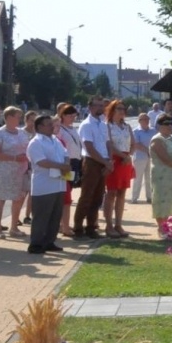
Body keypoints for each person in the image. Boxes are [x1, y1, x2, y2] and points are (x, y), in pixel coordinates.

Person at [25, 114, 68, 255]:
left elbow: (65, 154)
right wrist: (61, 166)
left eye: (52, 124)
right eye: (48, 124)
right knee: (41, 216)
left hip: (58, 184)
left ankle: (49, 241)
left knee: (55, 216)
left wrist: (66, 164)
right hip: (44, 186)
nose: (52, 126)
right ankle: (36, 244)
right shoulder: (36, 142)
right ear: (39, 127)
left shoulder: (55, 140)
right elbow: (41, 162)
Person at [0, 107, 29, 238]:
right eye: (17, 116)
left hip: (20, 170)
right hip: (4, 170)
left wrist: (25, 156)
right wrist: (15, 158)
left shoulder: (22, 133)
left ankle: (14, 227)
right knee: (1, 198)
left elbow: (28, 147)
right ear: (8, 117)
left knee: (18, 198)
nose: (20, 119)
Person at [76, 96, 111, 238]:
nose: (100, 108)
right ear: (90, 107)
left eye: (102, 105)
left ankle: (91, 226)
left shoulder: (103, 124)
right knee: (87, 196)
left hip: (103, 161)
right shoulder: (86, 125)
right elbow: (89, 147)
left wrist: (109, 161)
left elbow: (108, 143)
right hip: (91, 162)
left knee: (98, 196)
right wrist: (105, 162)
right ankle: (78, 228)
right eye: (97, 105)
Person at [103, 99, 134, 238]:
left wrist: (129, 155)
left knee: (122, 194)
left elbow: (133, 143)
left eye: (123, 109)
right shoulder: (107, 126)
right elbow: (109, 145)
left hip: (126, 161)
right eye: (119, 108)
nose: (122, 111)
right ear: (112, 110)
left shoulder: (127, 126)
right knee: (111, 193)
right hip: (114, 160)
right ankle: (109, 225)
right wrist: (122, 156)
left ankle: (119, 224)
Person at [148, 115, 172, 222]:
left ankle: (170, 226)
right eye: (166, 124)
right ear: (159, 126)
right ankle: (161, 228)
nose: (169, 126)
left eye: (171, 123)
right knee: (162, 200)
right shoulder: (157, 139)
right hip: (162, 175)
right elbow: (164, 157)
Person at [55, 103, 82, 238]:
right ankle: (63, 225)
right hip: (67, 163)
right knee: (65, 194)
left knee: (68, 190)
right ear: (62, 116)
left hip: (75, 162)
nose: (72, 117)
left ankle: (63, 223)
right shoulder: (60, 129)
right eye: (69, 115)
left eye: (74, 115)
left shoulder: (72, 129)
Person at [130, 113, 155, 203]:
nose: (146, 121)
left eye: (147, 119)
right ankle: (134, 198)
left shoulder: (153, 130)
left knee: (149, 178)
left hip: (151, 158)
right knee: (138, 178)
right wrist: (148, 151)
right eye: (144, 119)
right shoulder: (136, 131)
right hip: (140, 157)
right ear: (139, 121)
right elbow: (137, 144)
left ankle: (149, 197)